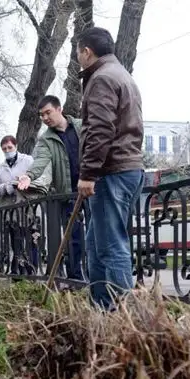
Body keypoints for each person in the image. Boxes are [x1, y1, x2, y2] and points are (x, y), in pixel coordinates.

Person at [75, 27, 145, 310]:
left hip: (111, 171)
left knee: (111, 245)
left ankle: (126, 320)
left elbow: (101, 130)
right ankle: (101, 311)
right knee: (96, 245)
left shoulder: (102, 78)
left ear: (86, 51)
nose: (77, 58)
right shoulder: (121, 75)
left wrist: (88, 173)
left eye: (77, 53)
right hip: (125, 169)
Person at [18, 95, 85, 281]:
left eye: (48, 112)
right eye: (41, 115)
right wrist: (29, 176)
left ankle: (98, 278)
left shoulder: (81, 126)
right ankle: (75, 279)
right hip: (68, 194)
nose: (45, 118)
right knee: (73, 239)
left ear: (59, 109)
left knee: (96, 234)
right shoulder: (46, 139)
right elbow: (40, 161)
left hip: (91, 188)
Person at [0, 136, 44, 275]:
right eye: (4, 149)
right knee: (16, 239)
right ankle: (17, 270)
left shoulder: (27, 160)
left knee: (31, 238)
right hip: (11, 209)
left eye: (10, 148)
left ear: (16, 146)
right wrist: (7, 186)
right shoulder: (1, 167)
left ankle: (31, 269)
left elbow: (37, 180)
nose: (7, 151)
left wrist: (22, 182)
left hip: (28, 207)